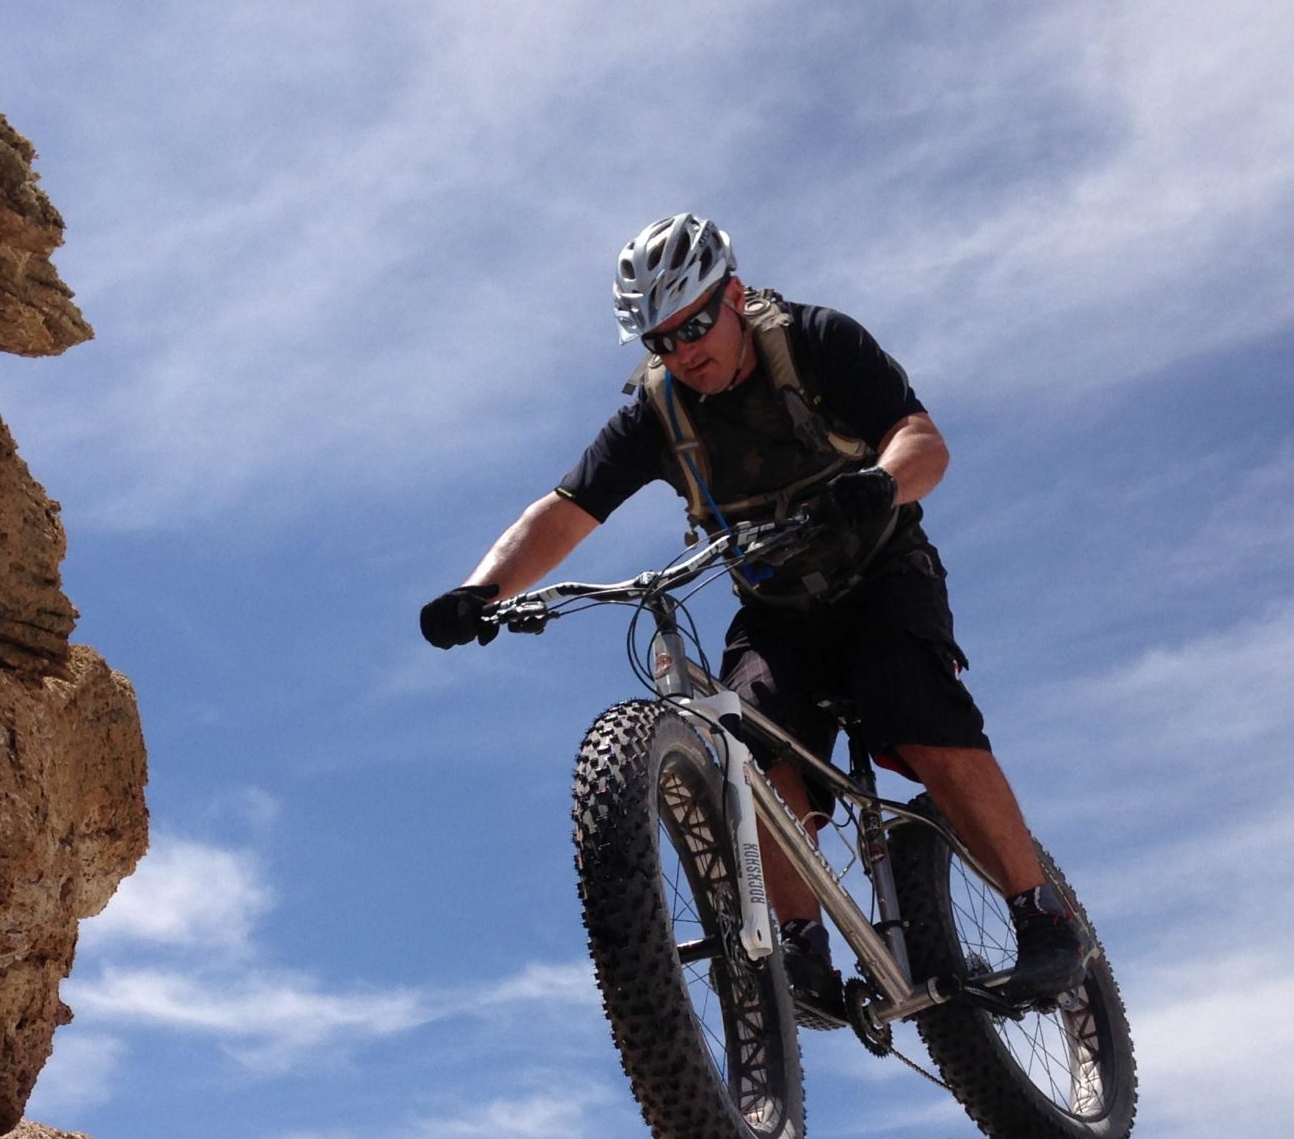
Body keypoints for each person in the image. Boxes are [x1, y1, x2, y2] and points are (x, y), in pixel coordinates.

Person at [420, 212, 1087, 1015]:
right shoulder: (659, 412)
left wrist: (878, 484)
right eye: (662, 340)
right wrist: (482, 590)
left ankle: (1042, 917)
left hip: (879, 572)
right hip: (776, 604)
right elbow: (567, 508)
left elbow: (921, 441)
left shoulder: (819, 341)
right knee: (748, 733)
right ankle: (800, 949)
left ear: (734, 295)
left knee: (911, 707)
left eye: (696, 324)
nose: (685, 350)